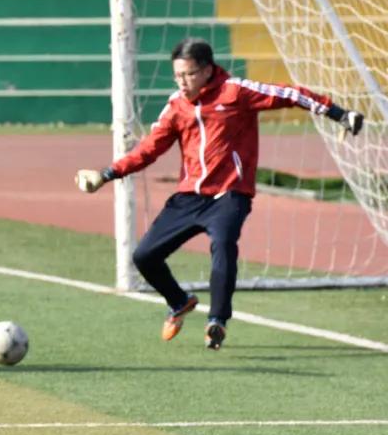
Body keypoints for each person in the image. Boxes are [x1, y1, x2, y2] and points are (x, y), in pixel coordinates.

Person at [76, 37, 364, 351]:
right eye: (177, 76)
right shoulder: (177, 106)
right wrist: (106, 174)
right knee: (144, 256)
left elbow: (289, 94)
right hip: (189, 198)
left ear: (208, 69)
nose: (182, 82)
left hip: (230, 194)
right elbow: (149, 149)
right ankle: (179, 302)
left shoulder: (236, 92)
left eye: (188, 75)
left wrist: (338, 114)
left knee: (223, 243)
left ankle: (217, 321)